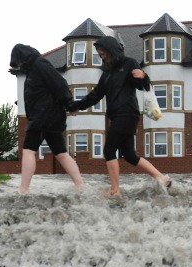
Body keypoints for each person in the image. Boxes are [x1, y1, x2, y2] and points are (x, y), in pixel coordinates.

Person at [69, 36, 171, 198]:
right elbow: (96, 95)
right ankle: (162, 178)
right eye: (99, 53)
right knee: (130, 155)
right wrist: (76, 106)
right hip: (117, 117)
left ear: (111, 49)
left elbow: (141, 86)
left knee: (109, 150)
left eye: (103, 52)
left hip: (127, 114)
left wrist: (144, 77)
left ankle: (115, 191)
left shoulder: (129, 63)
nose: (101, 55)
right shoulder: (107, 73)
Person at [9, 44, 86, 195]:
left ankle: (23, 190)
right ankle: (80, 186)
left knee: (29, 151)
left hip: (42, 117)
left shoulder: (40, 65)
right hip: (49, 117)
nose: (20, 66)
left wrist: (70, 105)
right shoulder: (34, 69)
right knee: (61, 153)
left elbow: (59, 83)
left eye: (19, 63)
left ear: (22, 57)